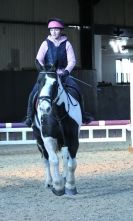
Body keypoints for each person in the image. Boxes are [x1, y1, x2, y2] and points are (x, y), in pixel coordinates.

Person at [24, 18, 91, 127]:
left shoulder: (67, 44)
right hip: (48, 75)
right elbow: (38, 59)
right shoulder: (45, 43)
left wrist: (66, 71)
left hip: (62, 74)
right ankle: (29, 117)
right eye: (51, 30)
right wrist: (44, 71)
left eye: (56, 30)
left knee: (78, 90)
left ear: (61, 30)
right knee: (33, 92)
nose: (53, 32)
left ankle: (83, 115)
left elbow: (72, 61)